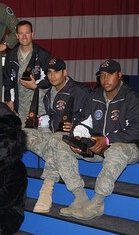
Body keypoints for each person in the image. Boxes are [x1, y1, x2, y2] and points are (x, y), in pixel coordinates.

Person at [55, 59, 139, 220]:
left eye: (110, 75)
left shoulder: (131, 98)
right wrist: (79, 138)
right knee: (63, 145)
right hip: (97, 146)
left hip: (127, 148)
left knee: (116, 150)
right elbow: (83, 120)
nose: (105, 79)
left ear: (119, 75)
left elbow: (136, 129)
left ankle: (97, 203)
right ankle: (80, 197)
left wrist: (107, 140)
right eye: (102, 75)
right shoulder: (95, 96)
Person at [28, 59, 91, 213]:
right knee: (25, 133)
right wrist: (40, 122)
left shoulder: (80, 91)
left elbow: (92, 118)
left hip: (76, 137)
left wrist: (75, 127)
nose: (52, 76)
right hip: (55, 134)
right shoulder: (49, 93)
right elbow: (52, 117)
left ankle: (47, 189)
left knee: (57, 139)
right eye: (49, 72)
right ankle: (54, 155)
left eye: (56, 71)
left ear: (65, 72)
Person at [4, 20, 52, 122]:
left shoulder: (43, 55)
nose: (24, 37)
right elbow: (8, 81)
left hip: (40, 107)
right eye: (21, 33)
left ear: (32, 34)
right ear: (17, 35)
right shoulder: (11, 56)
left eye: (27, 33)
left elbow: (51, 79)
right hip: (19, 107)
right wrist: (9, 100)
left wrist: (36, 86)